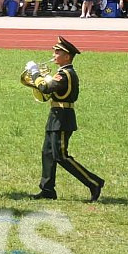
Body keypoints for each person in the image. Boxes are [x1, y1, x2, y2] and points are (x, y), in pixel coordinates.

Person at [33, 37, 104, 200]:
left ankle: (93, 182)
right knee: (48, 153)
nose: (54, 54)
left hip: (63, 118)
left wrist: (35, 73)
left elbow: (46, 87)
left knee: (61, 156)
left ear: (67, 56)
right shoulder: (61, 73)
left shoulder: (65, 74)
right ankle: (47, 189)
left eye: (58, 52)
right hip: (56, 116)